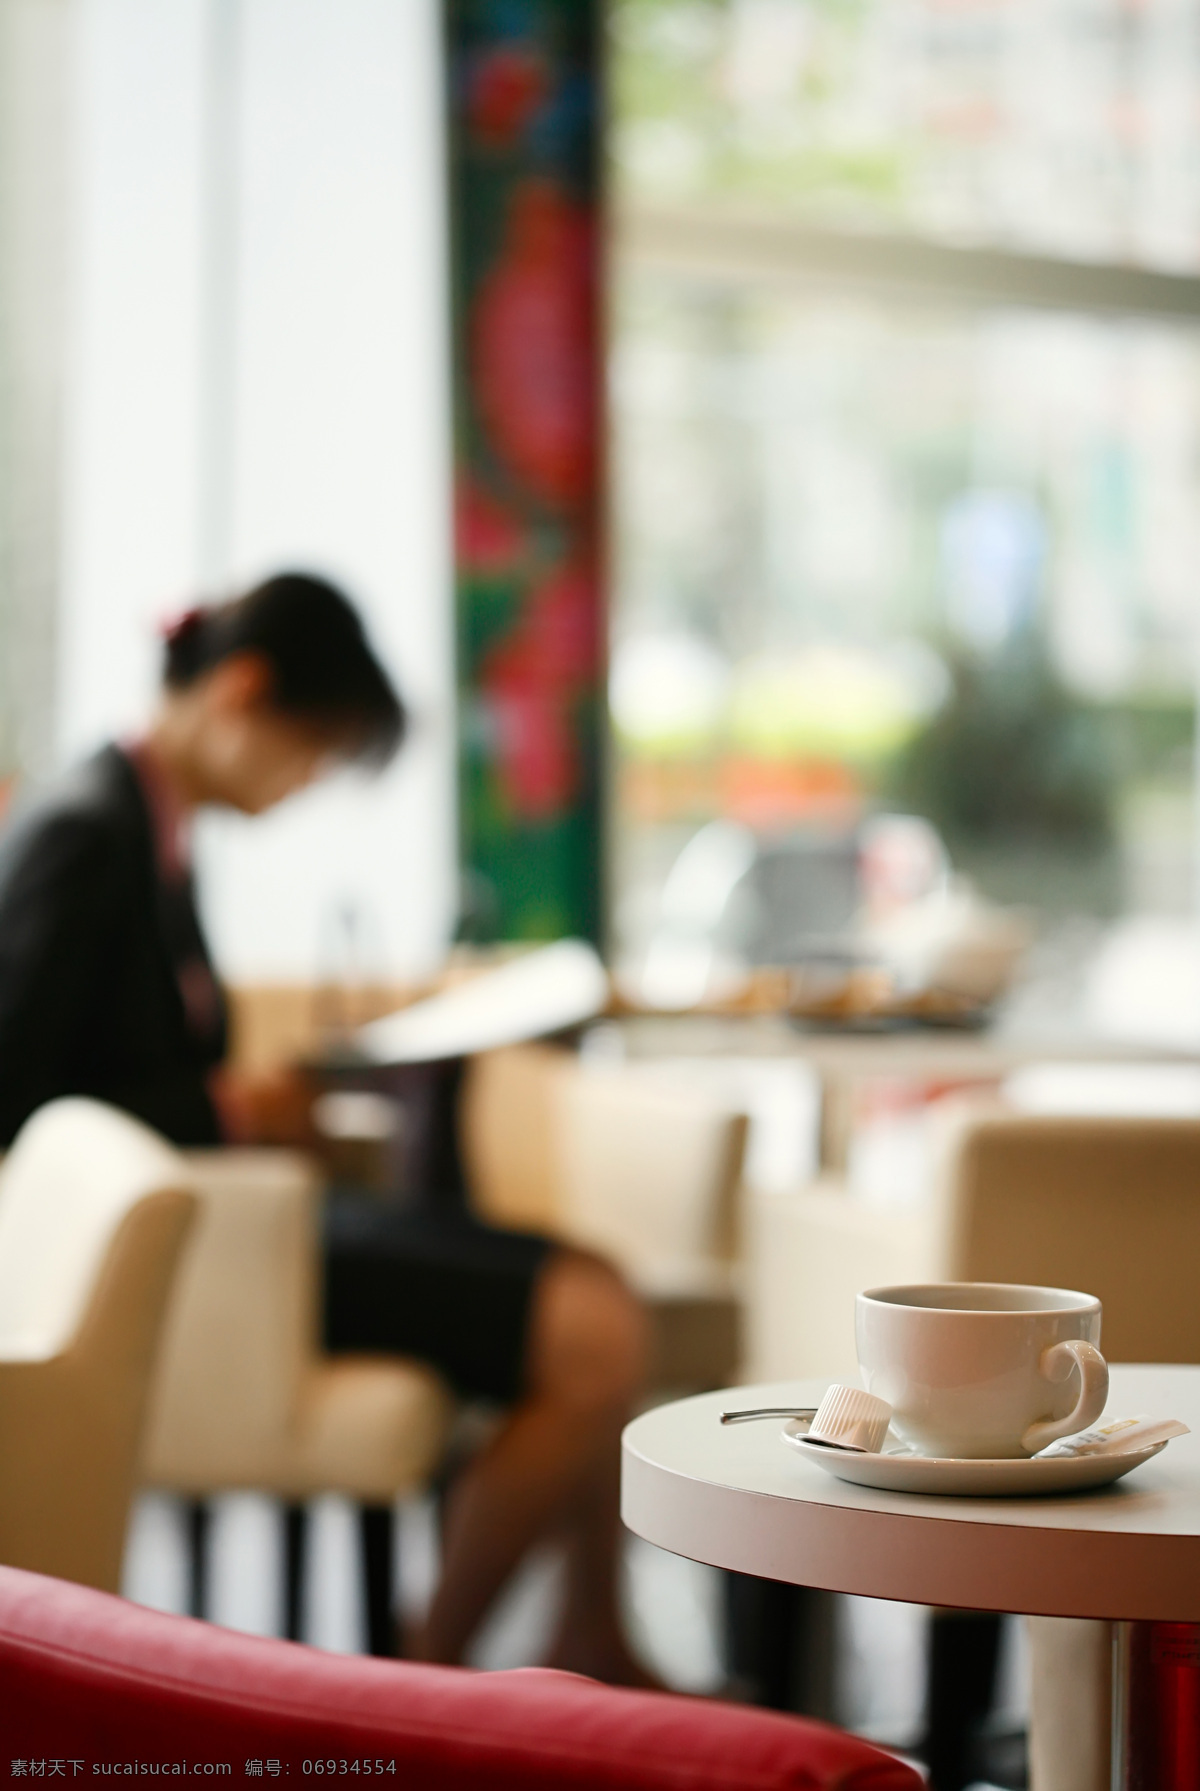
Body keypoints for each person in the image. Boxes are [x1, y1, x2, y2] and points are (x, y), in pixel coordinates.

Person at [0, 571, 652, 1684]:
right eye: (317, 749)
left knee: (599, 1282)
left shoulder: (139, 828)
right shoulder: (83, 833)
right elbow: (19, 1096)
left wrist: (243, 1103)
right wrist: (229, 1107)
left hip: (250, 1227)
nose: (307, 783)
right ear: (243, 692)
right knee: (599, 1329)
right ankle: (436, 1665)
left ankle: (583, 1635)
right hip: (219, 1257)